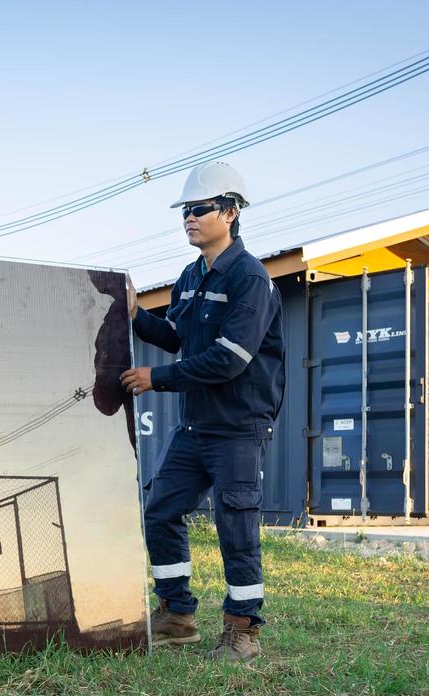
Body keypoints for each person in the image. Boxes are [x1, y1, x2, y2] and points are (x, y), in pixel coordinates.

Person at [119, 161, 285, 662]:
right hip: (195, 426)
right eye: (185, 212)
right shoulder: (190, 277)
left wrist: (156, 379)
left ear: (230, 213)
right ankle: (177, 616)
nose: (189, 218)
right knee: (161, 511)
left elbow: (230, 359)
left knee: (236, 526)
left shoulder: (251, 278)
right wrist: (134, 314)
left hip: (237, 426)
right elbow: (178, 338)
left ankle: (242, 631)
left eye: (199, 209)